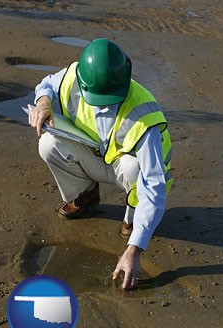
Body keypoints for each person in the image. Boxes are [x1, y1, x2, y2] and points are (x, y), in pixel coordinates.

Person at [29, 38, 173, 290]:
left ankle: (132, 220)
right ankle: (86, 195)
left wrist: (134, 251)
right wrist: (43, 101)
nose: (105, 104)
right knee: (48, 143)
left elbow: (153, 184)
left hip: (127, 171)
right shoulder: (75, 75)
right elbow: (48, 84)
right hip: (95, 154)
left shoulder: (144, 113)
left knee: (133, 167)